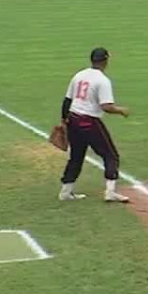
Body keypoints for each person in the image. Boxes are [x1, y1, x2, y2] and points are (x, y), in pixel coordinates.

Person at [58, 47, 130, 203]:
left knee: (76, 156)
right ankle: (110, 192)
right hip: (89, 121)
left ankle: (66, 192)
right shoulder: (102, 81)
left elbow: (67, 100)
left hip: (73, 119)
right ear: (105, 61)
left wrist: (64, 121)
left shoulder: (79, 75)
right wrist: (121, 111)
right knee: (110, 155)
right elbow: (106, 107)